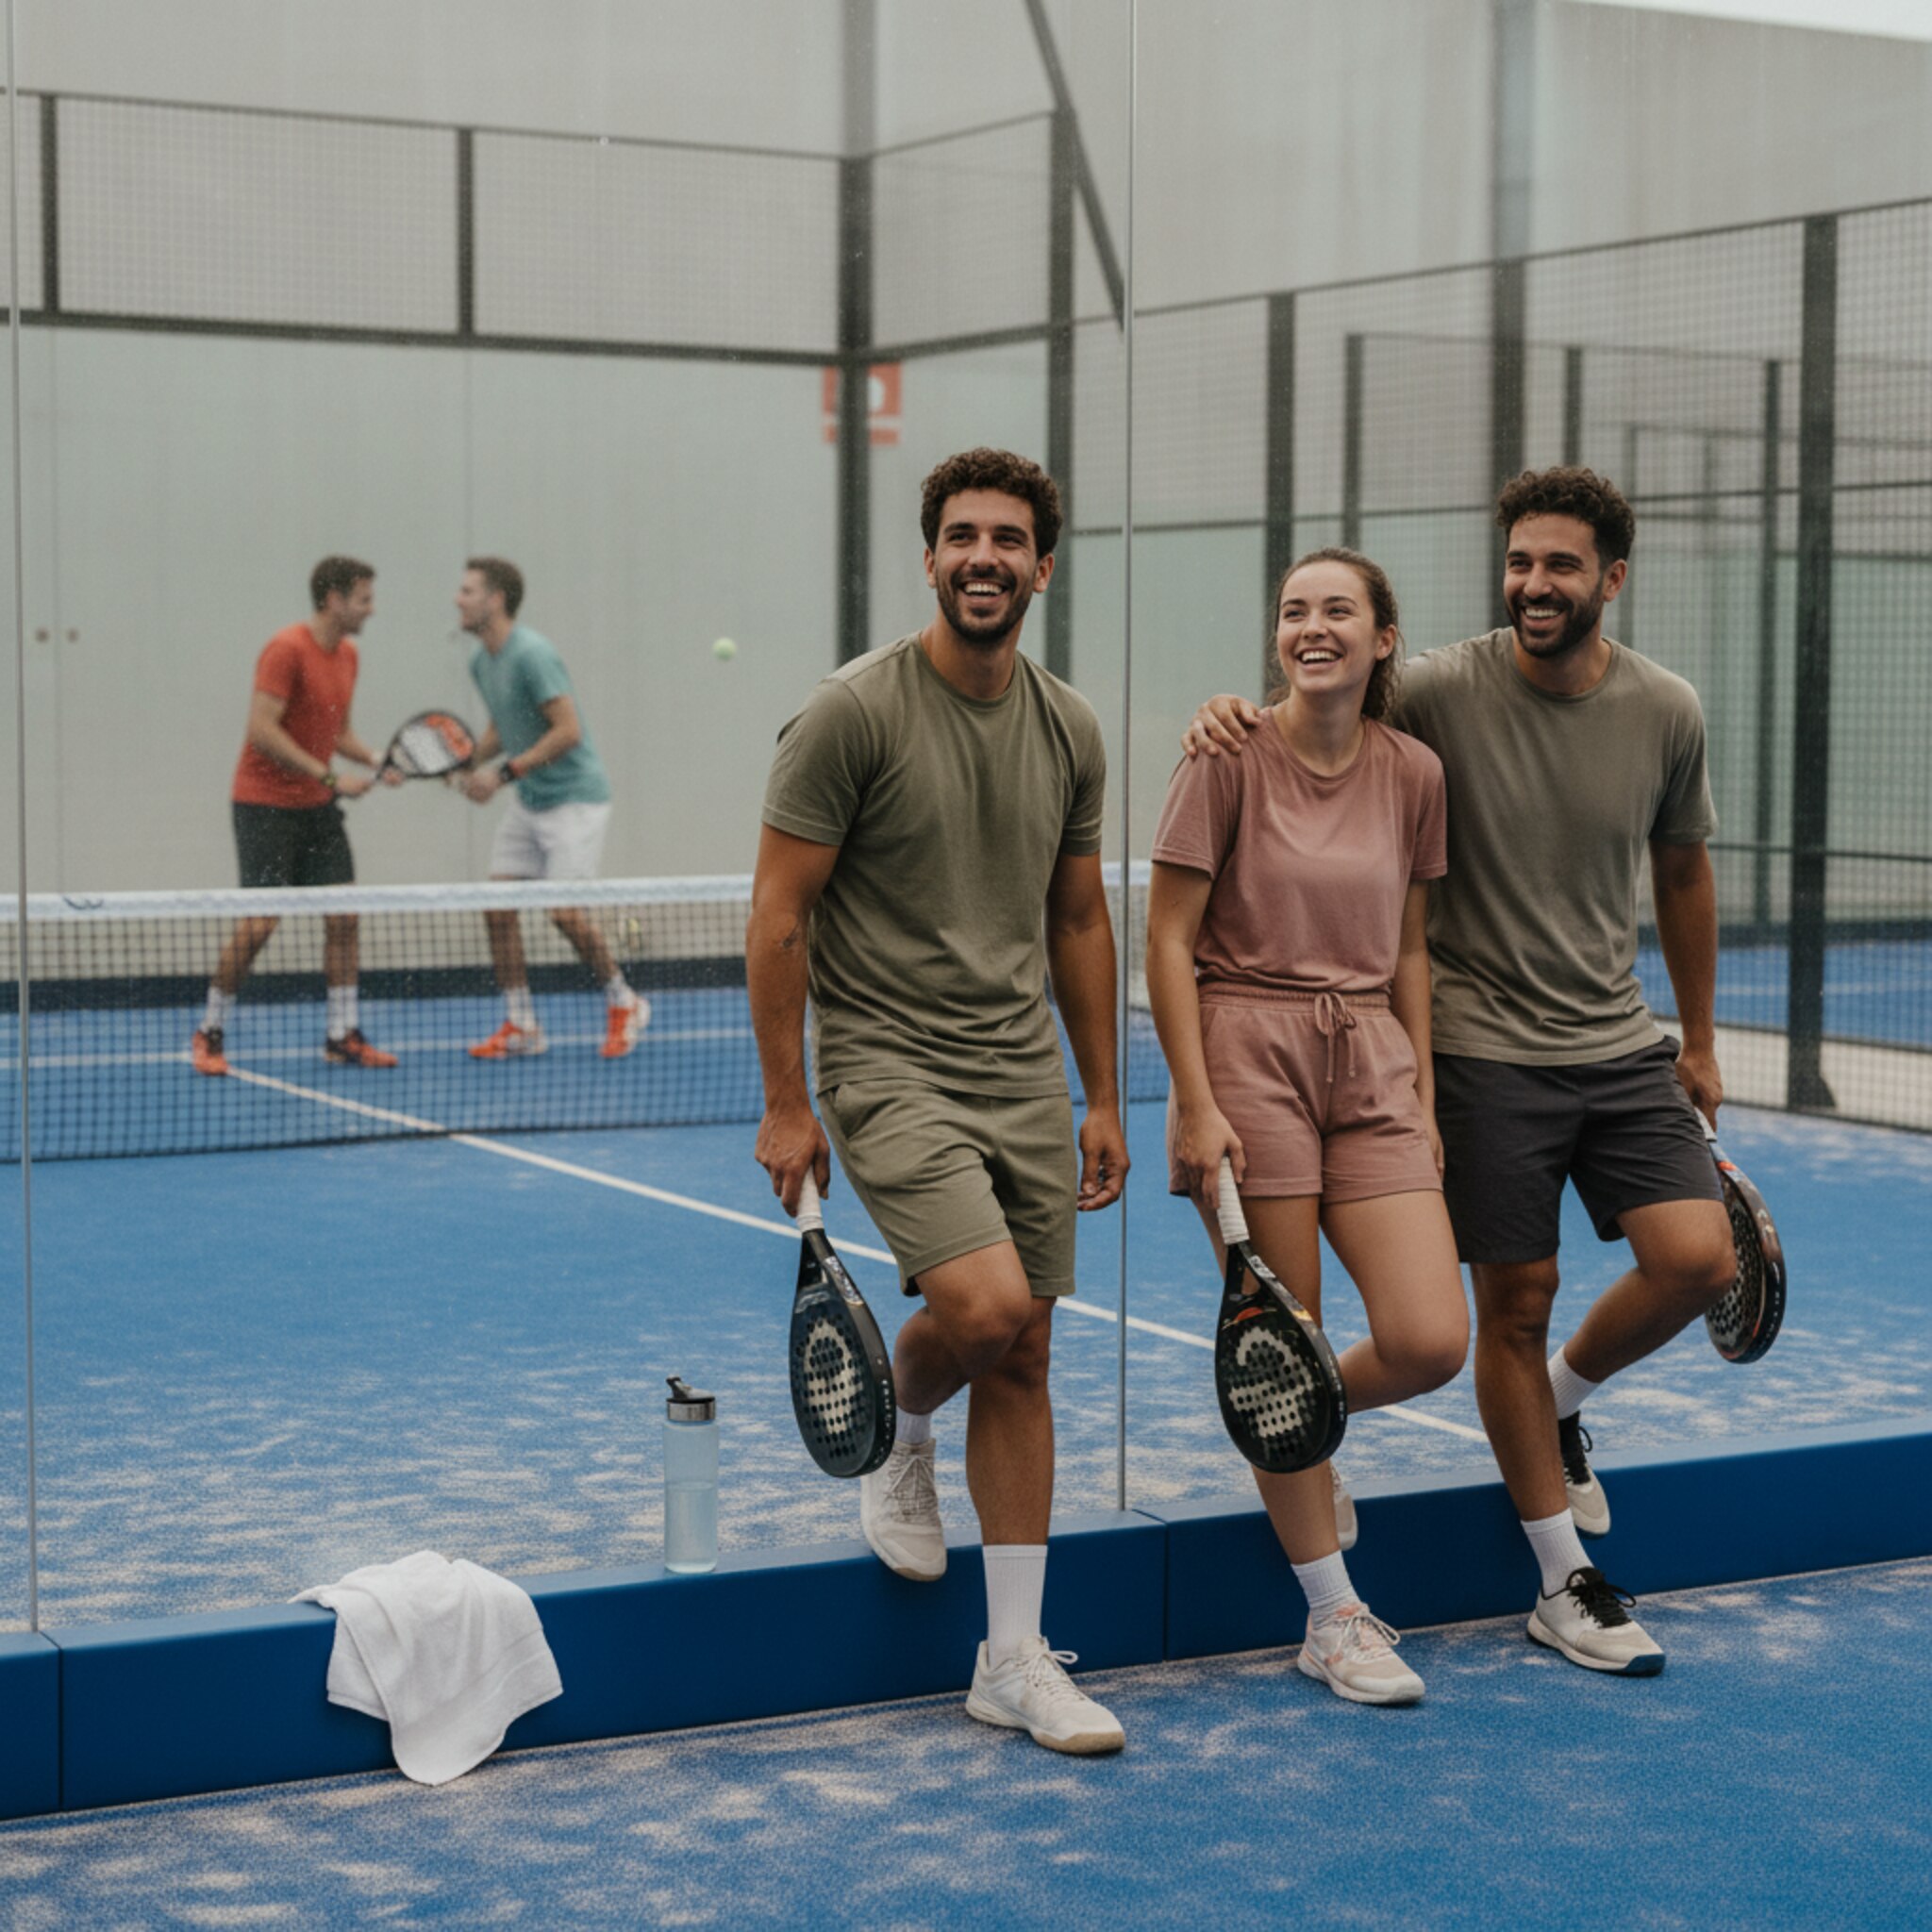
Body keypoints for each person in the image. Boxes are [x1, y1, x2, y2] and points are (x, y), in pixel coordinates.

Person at [1182, 467, 1734, 1675]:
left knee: (1697, 1257)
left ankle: (1551, 1405)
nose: (1534, 585)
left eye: (1560, 566)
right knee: (1511, 1302)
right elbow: (1315, 696)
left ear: (1611, 578)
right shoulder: (1431, 689)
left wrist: (1693, 1036)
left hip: (1612, 1039)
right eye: (1519, 563)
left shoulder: (1665, 709)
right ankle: (1538, 1581)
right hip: (1473, 1048)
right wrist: (1227, 706)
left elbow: (1682, 873)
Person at [749, 448, 1130, 1755]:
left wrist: (1104, 1095)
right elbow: (779, 914)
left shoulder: (1070, 725)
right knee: (984, 1308)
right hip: (885, 1059)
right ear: (930, 558)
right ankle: (907, 1425)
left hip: (1021, 1066)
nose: (984, 556)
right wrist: (787, 1104)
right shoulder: (850, 714)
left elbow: (1078, 916)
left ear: (1041, 564)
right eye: (961, 535)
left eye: (1008, 538)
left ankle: (1011, 1659)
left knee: (1024, 1350)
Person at [1148, 548, 1466, 1706]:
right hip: (1245, 1053)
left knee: (1432, 1336)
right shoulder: (1222, 755)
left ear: (1383, 638)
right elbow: (1165, 940)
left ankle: (1290, 1416)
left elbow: (1413, 947)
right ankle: (1331, 1614)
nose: (1311, 626)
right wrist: (1192, 1099)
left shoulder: (1416, 771)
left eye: (1337, 610)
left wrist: (1422, 1101)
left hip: (1372, 1058)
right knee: (1285, 1327)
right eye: (1292, 610)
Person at [191, 556, 398, 1076]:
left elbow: (338, 732)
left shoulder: (348, 655)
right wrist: (330, 779)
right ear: (333, 599)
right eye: (364, 599)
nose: (371, 610)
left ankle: (341, 1034)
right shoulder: (285, 650)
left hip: (316, 810)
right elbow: (262, 730)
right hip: (264, 805)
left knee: (345, 917)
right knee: (261, 923)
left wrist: (377, 760)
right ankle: (209, 1030)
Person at [454, 557, 647, 1060]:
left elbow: (567, 731)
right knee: (497, 908)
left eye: (468, 591)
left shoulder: (532, 654)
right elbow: (504, 724)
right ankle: (521, 1023)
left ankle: (625, 1001)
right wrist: (465, 761)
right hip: (531, 799)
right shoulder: (482, 661)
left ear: (495, 600)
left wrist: (500, 775)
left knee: (564, 913)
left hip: (575, 800)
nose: (459, 599)